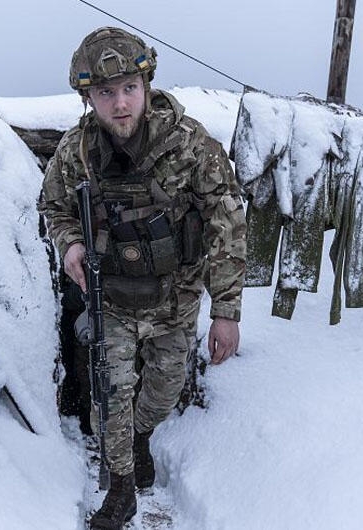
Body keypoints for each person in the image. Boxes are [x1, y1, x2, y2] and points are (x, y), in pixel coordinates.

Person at [38, 26, 246, 530]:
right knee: (110, 394)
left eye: (129, 87)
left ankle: (140, 437)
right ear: (88, 97)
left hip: (175, 298)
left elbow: (227, 218)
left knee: (162, 389)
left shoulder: (190, 144)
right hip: (110, 295)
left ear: (147, 84)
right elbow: (54, 206)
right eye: (105, 93)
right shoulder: (77, 152)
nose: (120, 103)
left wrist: (226, 311)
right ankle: (123, 490)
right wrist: (71, 245)